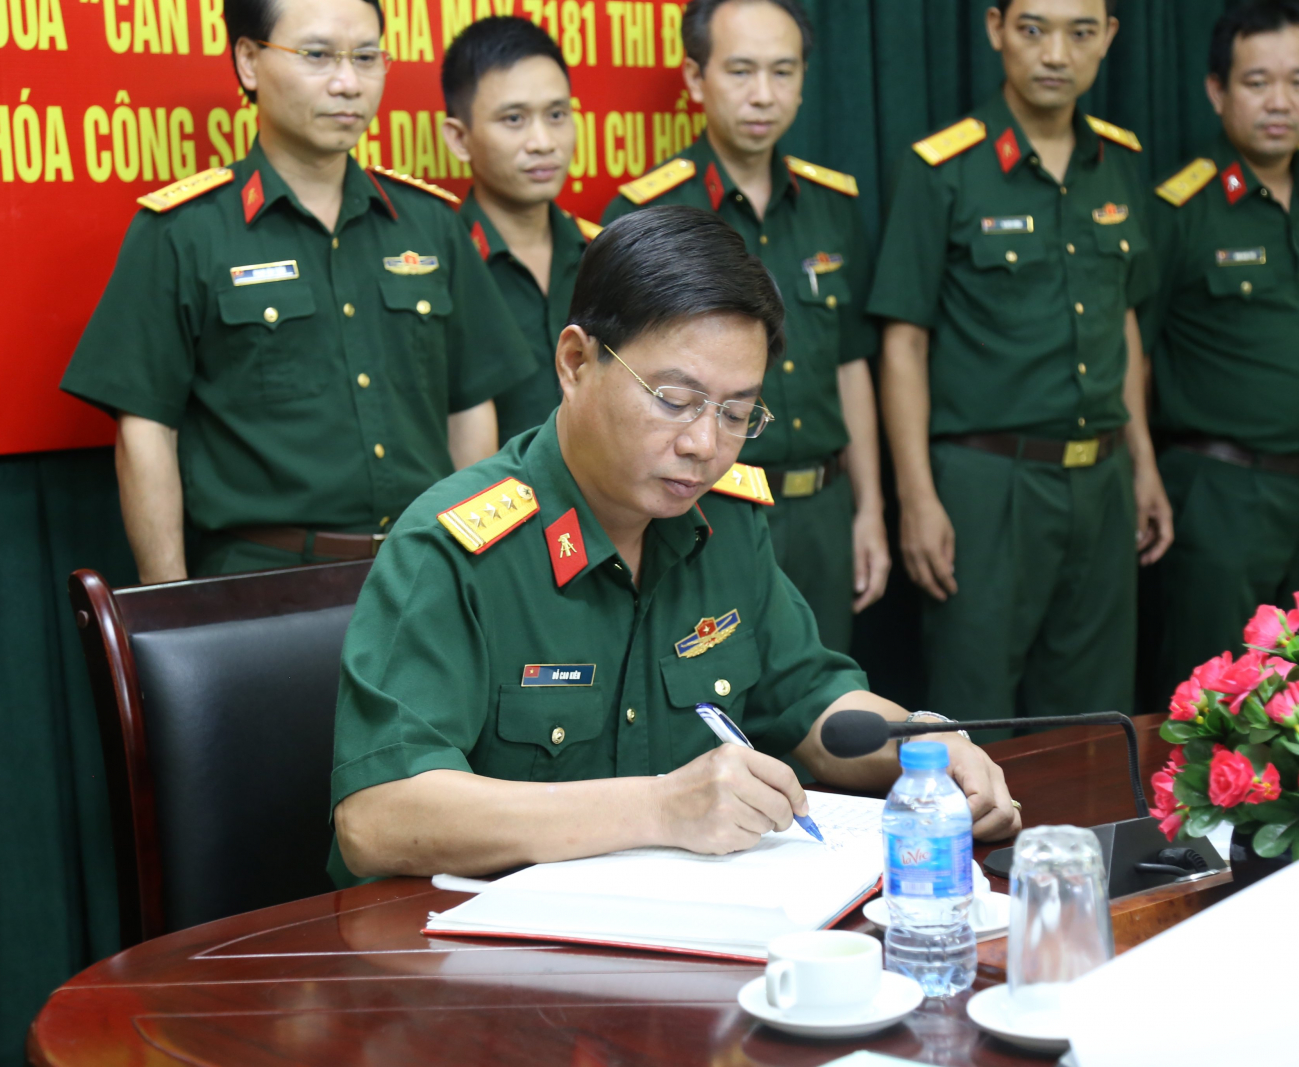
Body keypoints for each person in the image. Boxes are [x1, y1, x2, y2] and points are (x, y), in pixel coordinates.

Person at [329, 207, 1021, 882]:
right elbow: (377, 818)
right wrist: (660, 808)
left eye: (737, 412)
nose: (704, 444)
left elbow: (812, 701)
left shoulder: (725, 521)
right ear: (575, 361)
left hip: (695, 926)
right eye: (673, 399)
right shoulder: (454, 548)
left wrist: (923, 745)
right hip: (486, 946)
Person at [61, 0, 534, 582]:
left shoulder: (430, 223)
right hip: (263, 581)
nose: (348, 82)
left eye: (366, 57)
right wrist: (170, 602)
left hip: (421, 570)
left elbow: (469, 408)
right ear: (249, 61)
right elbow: (146, 431)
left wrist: (474, 566)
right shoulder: (184, 231)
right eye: (317, 55)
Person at [868, 0, 1170, 730]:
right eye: (1033, 29)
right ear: (996, 28)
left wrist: (1144, 464)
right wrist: (917, 497)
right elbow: (904, 343)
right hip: (988, 484)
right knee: (974, 713)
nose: (1056, 53)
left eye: (1081, 32)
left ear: (1109, 38)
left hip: (1102, 479)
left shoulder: (1118, 162)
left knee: (1095, 719)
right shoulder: (943, 168)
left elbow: (1123, 323)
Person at [600, 0, 889, 654]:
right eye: (740, 71)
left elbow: (851, 366)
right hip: (701, 507)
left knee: (819, 689)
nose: (763, 94)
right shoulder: (648, 212)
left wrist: (869, 508)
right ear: (696, 78)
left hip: (822, 507)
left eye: (782, 71)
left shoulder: (832, 206)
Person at [1140, 0, 1299, 700]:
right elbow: (1131, 353)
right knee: (1213, 702)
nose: (1280, 101)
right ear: (1217, 90)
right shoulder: (1181, 208)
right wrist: (1142, 472)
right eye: (1257, 81)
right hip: (1224, 491)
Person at [440, 17, 602, 442]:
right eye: (514, 119)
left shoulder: (605, 255)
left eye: (557, 115)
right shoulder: (441, 264)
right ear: (459, 139)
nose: (543, 142)